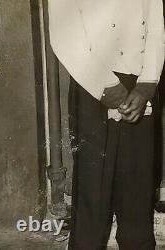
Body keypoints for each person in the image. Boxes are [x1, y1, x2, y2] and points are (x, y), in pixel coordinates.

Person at [48, 0, 165, 249]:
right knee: (92, 189)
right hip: (92, 83)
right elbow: (63, 35)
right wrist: (104, 86)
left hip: (139, 85)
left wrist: (147, 84)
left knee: (138, 186)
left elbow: (156, 27)